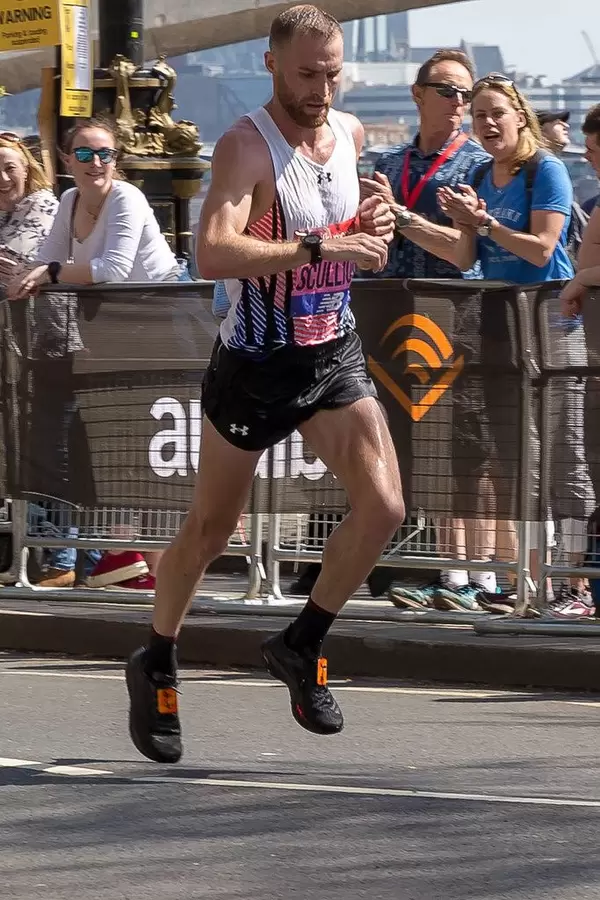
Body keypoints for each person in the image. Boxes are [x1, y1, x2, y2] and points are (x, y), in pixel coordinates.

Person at [124, 4, 403, 764]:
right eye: (307, 74)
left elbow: (351, 224)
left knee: (384, 507)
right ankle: (157, 659)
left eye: (333, 74)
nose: (321, 90)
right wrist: (323, 247)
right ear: (272, 64)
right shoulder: (246, 145)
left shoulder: (349, 133)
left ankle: (301, 642)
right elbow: (213, 252)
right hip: (255, 362)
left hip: (332, 349)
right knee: (212, 531)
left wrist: (374, 221)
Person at [429, 73, 594, 615]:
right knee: (515, 463)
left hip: (551, 327)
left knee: (563, 459)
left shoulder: (546, 170)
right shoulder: (479, 174)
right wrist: (404, 219)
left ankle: (574, 585)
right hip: (498, 328)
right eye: (479, 115)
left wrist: (484, 224)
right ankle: (528, 583)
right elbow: (463, 256)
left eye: (496, 112)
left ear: (520, 116)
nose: (487, 123)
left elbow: (543, 250)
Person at [8, 117, 182, 591]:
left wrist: (51, 272)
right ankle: (126, 559)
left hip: (162, 323)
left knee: (147, 450)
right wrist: (36, 272)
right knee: (114, 445)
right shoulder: (69, 201)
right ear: (67, 160)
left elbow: (113, 269)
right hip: (114, 330)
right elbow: (46, 259)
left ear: (116, 159)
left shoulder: (127, 198)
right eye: (84, 153)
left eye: (105, 153)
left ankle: (150, 566)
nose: (96, 162)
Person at [358, 49, 496, 613]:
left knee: (466, 449)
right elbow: (370, 241)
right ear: (418, 95)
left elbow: (463, 252)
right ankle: (438, 568)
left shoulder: (476, 166)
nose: (459, 102)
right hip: (388, 322)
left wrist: (403, 217)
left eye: (466, 93)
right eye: (447, 90)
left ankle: (480, 576)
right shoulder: (387, 162)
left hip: (454, 323)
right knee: (411, 448)